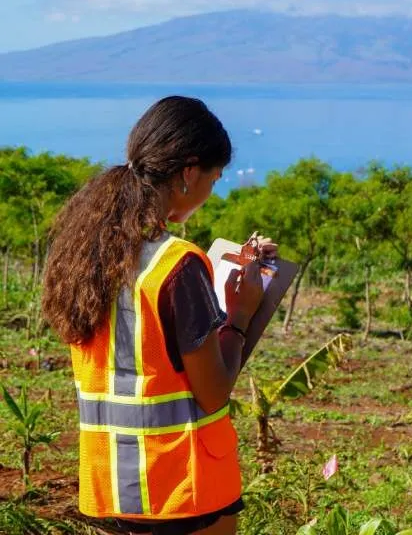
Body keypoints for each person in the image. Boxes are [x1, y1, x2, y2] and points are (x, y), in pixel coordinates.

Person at [41, 96, 277, 535]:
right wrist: (240, 314)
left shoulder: (88, 253)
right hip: (182, 490)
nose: (211, 191)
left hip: (111, 484)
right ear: (189, 172)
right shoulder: (178, 265)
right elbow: (213, 392)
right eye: (214, 177)